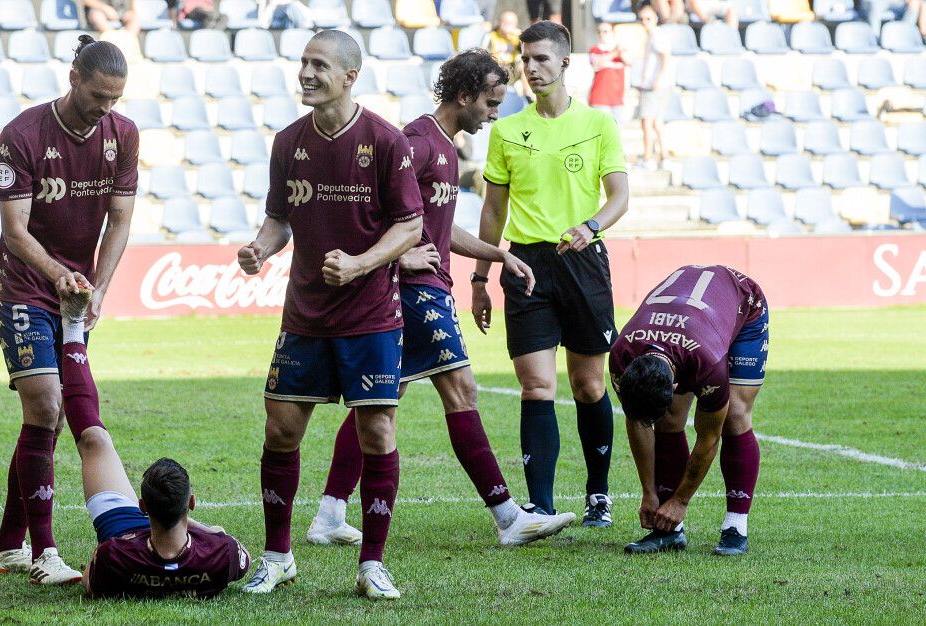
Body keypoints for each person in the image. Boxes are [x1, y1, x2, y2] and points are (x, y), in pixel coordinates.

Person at [307, 49, 576, 549]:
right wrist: (395, 256)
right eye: (491, 102)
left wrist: (499, 255)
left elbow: (440, 229)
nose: (495, 112)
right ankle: (508, 517)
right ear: (464, 95)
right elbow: (373, 207)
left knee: (381, 399)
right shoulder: (415, 141)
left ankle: (328, 513)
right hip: (412, 293)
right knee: (461, 390)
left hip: (425, 288)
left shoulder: (446, 147)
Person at [236, 30, 423, 600]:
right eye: (303, 63)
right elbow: (278, 218)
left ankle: (372, 564)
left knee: (377, 431)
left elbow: (410, 225)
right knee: (281, 428)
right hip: (305, 316)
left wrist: (363, 263)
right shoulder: (287, 141)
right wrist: (260, 249)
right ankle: (277, 556)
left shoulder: (386, 142)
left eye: (319, 65)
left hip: (370, 316)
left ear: (348, 76)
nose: (306, 73)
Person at [0, 35, 138, 586]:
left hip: (76, 295)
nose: (105, 108)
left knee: (41, 421)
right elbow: (14, 230)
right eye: (98, 95)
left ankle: (8, 545)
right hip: (23, 286)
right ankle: (45, 553)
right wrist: (59, 275)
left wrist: (97, 286)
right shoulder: (22, 135)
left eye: (115, 99)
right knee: (49, 404)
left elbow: (120, 220)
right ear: (73, 78)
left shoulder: (123, 136)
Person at [474, 21, 630, 529]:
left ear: (565, 62)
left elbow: (619, 197)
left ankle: (598, 495)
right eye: (526, 59)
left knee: (588, 386)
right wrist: (479, 278)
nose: (531, 68)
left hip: (583, 261)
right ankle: (539, 506)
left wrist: (591, 226)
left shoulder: (598, 125)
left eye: (541, 59)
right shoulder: (506, 130)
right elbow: (493, 211)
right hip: (526, 266)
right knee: (536, 386)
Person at [50, 288, 251, 598]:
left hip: (123, 527)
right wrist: (203, 533)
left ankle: (73, 324)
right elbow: (242, 558)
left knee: (94, 440)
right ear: (191, 502)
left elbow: (90, 580)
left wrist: (199, 530)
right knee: (94, 441)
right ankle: (73, 325)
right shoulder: (220, 554)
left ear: (143, 508)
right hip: (154, 532)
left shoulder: (114, 555)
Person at [609, 265, 767, 557]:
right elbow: (637, 419)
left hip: (743, 303)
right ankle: (669, 532)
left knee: (733, 417)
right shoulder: (621, 356)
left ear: (677, 384)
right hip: (687, 322)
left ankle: (736, 525)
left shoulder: (707, 361)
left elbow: (708, 438)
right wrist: (649, 491)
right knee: (668, 419)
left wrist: (680, 501)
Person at [636, 3, 671, 171]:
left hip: (653, 86)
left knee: (647, 123)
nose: (645, 22)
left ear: (656, 18)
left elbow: (665, 57)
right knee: (657, 123)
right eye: (642, 19)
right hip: (655, 85)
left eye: (648, 18)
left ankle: (648, 157)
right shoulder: (653, 35)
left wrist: (658, 79)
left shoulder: (656, 35)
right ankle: (664, 156)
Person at [588, 21, 628, 125]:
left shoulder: (620, 50)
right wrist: (615, 53)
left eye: (605, 31)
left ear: (612, 33)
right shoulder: (595, 49)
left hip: (617, 99)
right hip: (599, 98)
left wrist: (620, 50)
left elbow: (630, 61)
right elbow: (596, 63)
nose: (601, 34)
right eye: (599, 32)